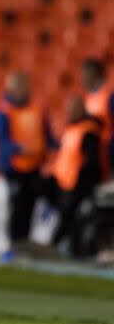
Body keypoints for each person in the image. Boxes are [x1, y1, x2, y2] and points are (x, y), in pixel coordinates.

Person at [0, 71, 57, 251]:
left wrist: (59, 146)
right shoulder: (3, 112)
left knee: (30, 204)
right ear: (11, 89)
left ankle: (25, 242)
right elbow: (2, 141)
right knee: (17, 206)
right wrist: (20, 149)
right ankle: (14, 243)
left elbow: (47, 136)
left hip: (35, 166)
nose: (24, 90)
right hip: (14, 168)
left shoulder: (37, 109)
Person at [43, 96, 102, 257]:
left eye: (73, 109)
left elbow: (90, 160)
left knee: (69, 214)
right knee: (68, 215)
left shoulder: (88, 130)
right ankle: (66, 246)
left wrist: (82, 180)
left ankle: (55, 245)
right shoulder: (72, 128)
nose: (69, 112)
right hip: (64, 181)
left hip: (77, 183)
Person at [80, 58, 114, 177]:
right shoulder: (87, 98)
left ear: (94, 74)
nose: (81, 78)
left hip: (108, 148)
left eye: (84, 74)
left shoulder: (109, 96)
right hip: (94, 151)